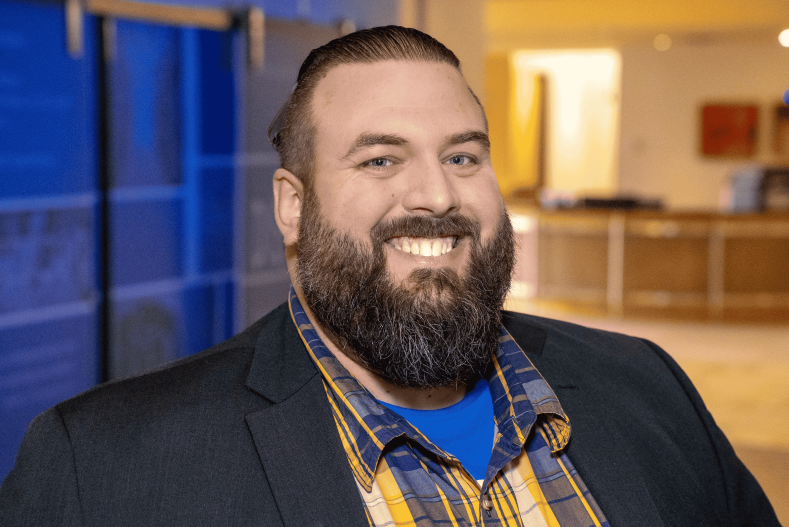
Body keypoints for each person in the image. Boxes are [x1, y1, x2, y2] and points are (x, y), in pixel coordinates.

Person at [0, 26, 780, 527]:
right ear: (291, 206)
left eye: (462, 156)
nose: (436, 195)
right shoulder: (104, 468)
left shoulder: (646, 387)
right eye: (379, 159)